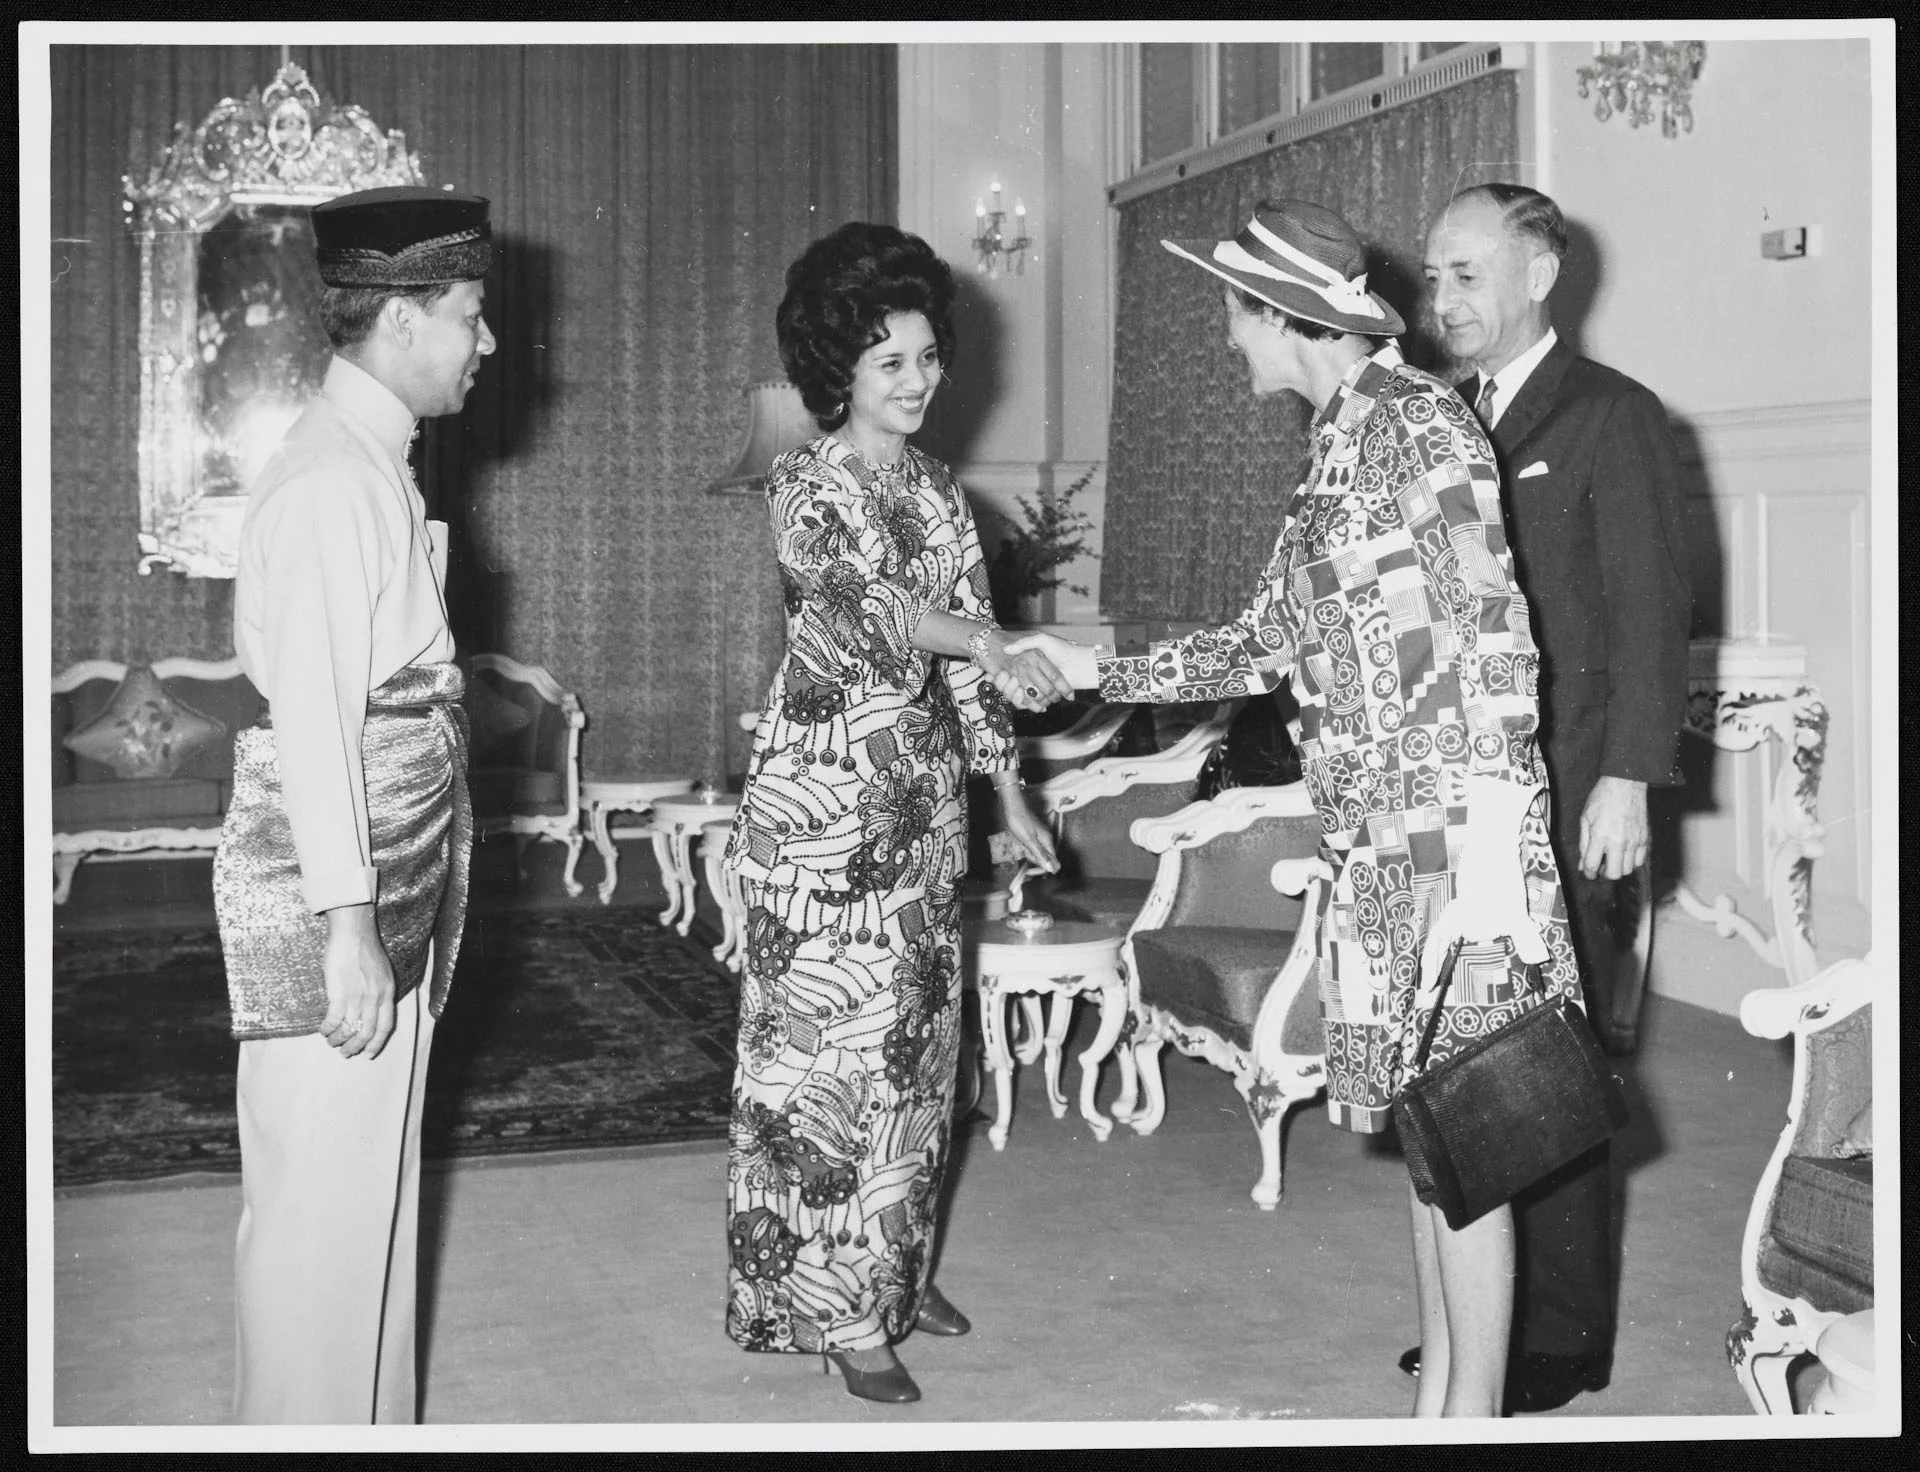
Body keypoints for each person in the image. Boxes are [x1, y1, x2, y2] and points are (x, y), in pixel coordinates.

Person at [1009, 200, 1582, 1417]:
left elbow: (1496, 636)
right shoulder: (1343, 431)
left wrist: (1481, 844)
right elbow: (1272, 635)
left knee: (1473, 1137)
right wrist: (1095, 669)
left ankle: (1471, 1420)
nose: (1228, 339)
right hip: (1383, 831)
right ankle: (1443, 1403)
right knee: (1436, 1140)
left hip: (1450, 835)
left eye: (1233, 314)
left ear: (1283, 315)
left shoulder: (1418, 422)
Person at [720, 222, 1067, 1406]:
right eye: (889, 363)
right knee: (825, 1060)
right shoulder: (807, 482)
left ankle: (893, 1272)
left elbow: (969, 664)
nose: (917, 381)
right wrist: (988, 637)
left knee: (917, 1049)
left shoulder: (938, 490)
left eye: (926, 356)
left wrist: (1008, 788)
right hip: (819, 806)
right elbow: (868, 614)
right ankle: (833, 1311)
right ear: (839, 374)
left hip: (916, 805)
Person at [1404, 182, 1692, 1411]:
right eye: (1435, 277)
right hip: (1465, 798)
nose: (1444, 300)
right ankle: (1489, 1321)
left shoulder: (1610, 416)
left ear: (1539, 276)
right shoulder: (1436, 420)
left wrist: (1628, 773)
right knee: (1471, 1056)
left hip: (1576, 788)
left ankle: (1558, 1338)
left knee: (1549, 1064)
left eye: (1468, 274)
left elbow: (1651, 609)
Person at [212, 185, 496, 1423]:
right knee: (319, 1225)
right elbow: (317, 725)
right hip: (341, 897)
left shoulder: (369, 462)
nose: (487, 342)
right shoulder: (335, 481)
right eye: (471, 314)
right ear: (400, 321)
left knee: (363, 1204)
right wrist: (347, 928)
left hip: (387, 878)